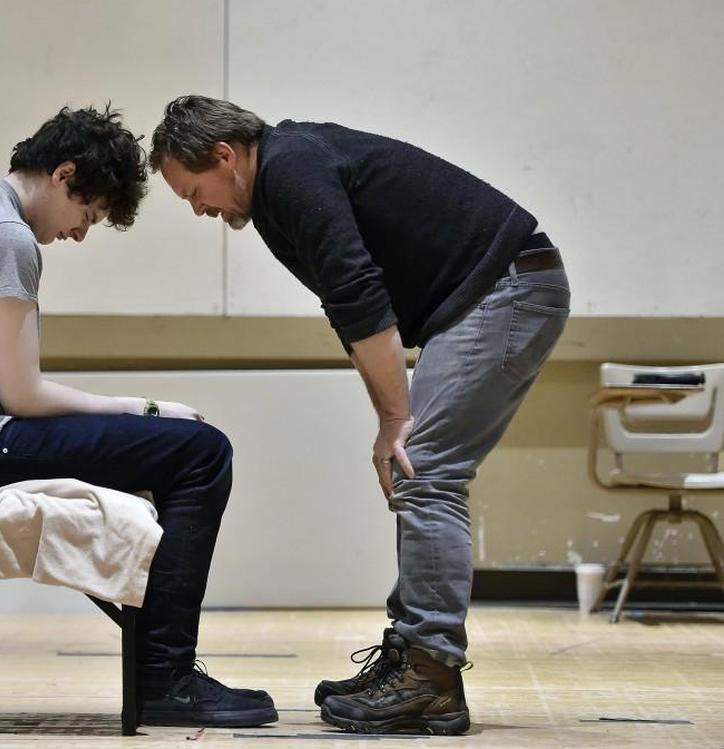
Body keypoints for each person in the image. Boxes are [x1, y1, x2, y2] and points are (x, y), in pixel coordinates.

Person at [150, 95, 570, 736]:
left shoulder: (291, 169)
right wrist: (390, 417)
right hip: (486, 294)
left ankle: (430, 678)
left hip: (506, 287)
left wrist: (393, 421)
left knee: (424, 471)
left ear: (226, 157)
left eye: (194, 192)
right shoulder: (274, 192)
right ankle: (411, 653)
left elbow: (357, 290)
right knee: (417, 470)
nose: (200, 208)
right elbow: (346, 306)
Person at [0, 105, 277, 728]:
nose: (80, 233)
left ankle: (162, 669)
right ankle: (165, 678)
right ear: (64, 174)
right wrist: (148, 407)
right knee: (201, 452)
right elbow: (23, 396)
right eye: (89, 214)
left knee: (176, 448)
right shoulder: (5, 238)